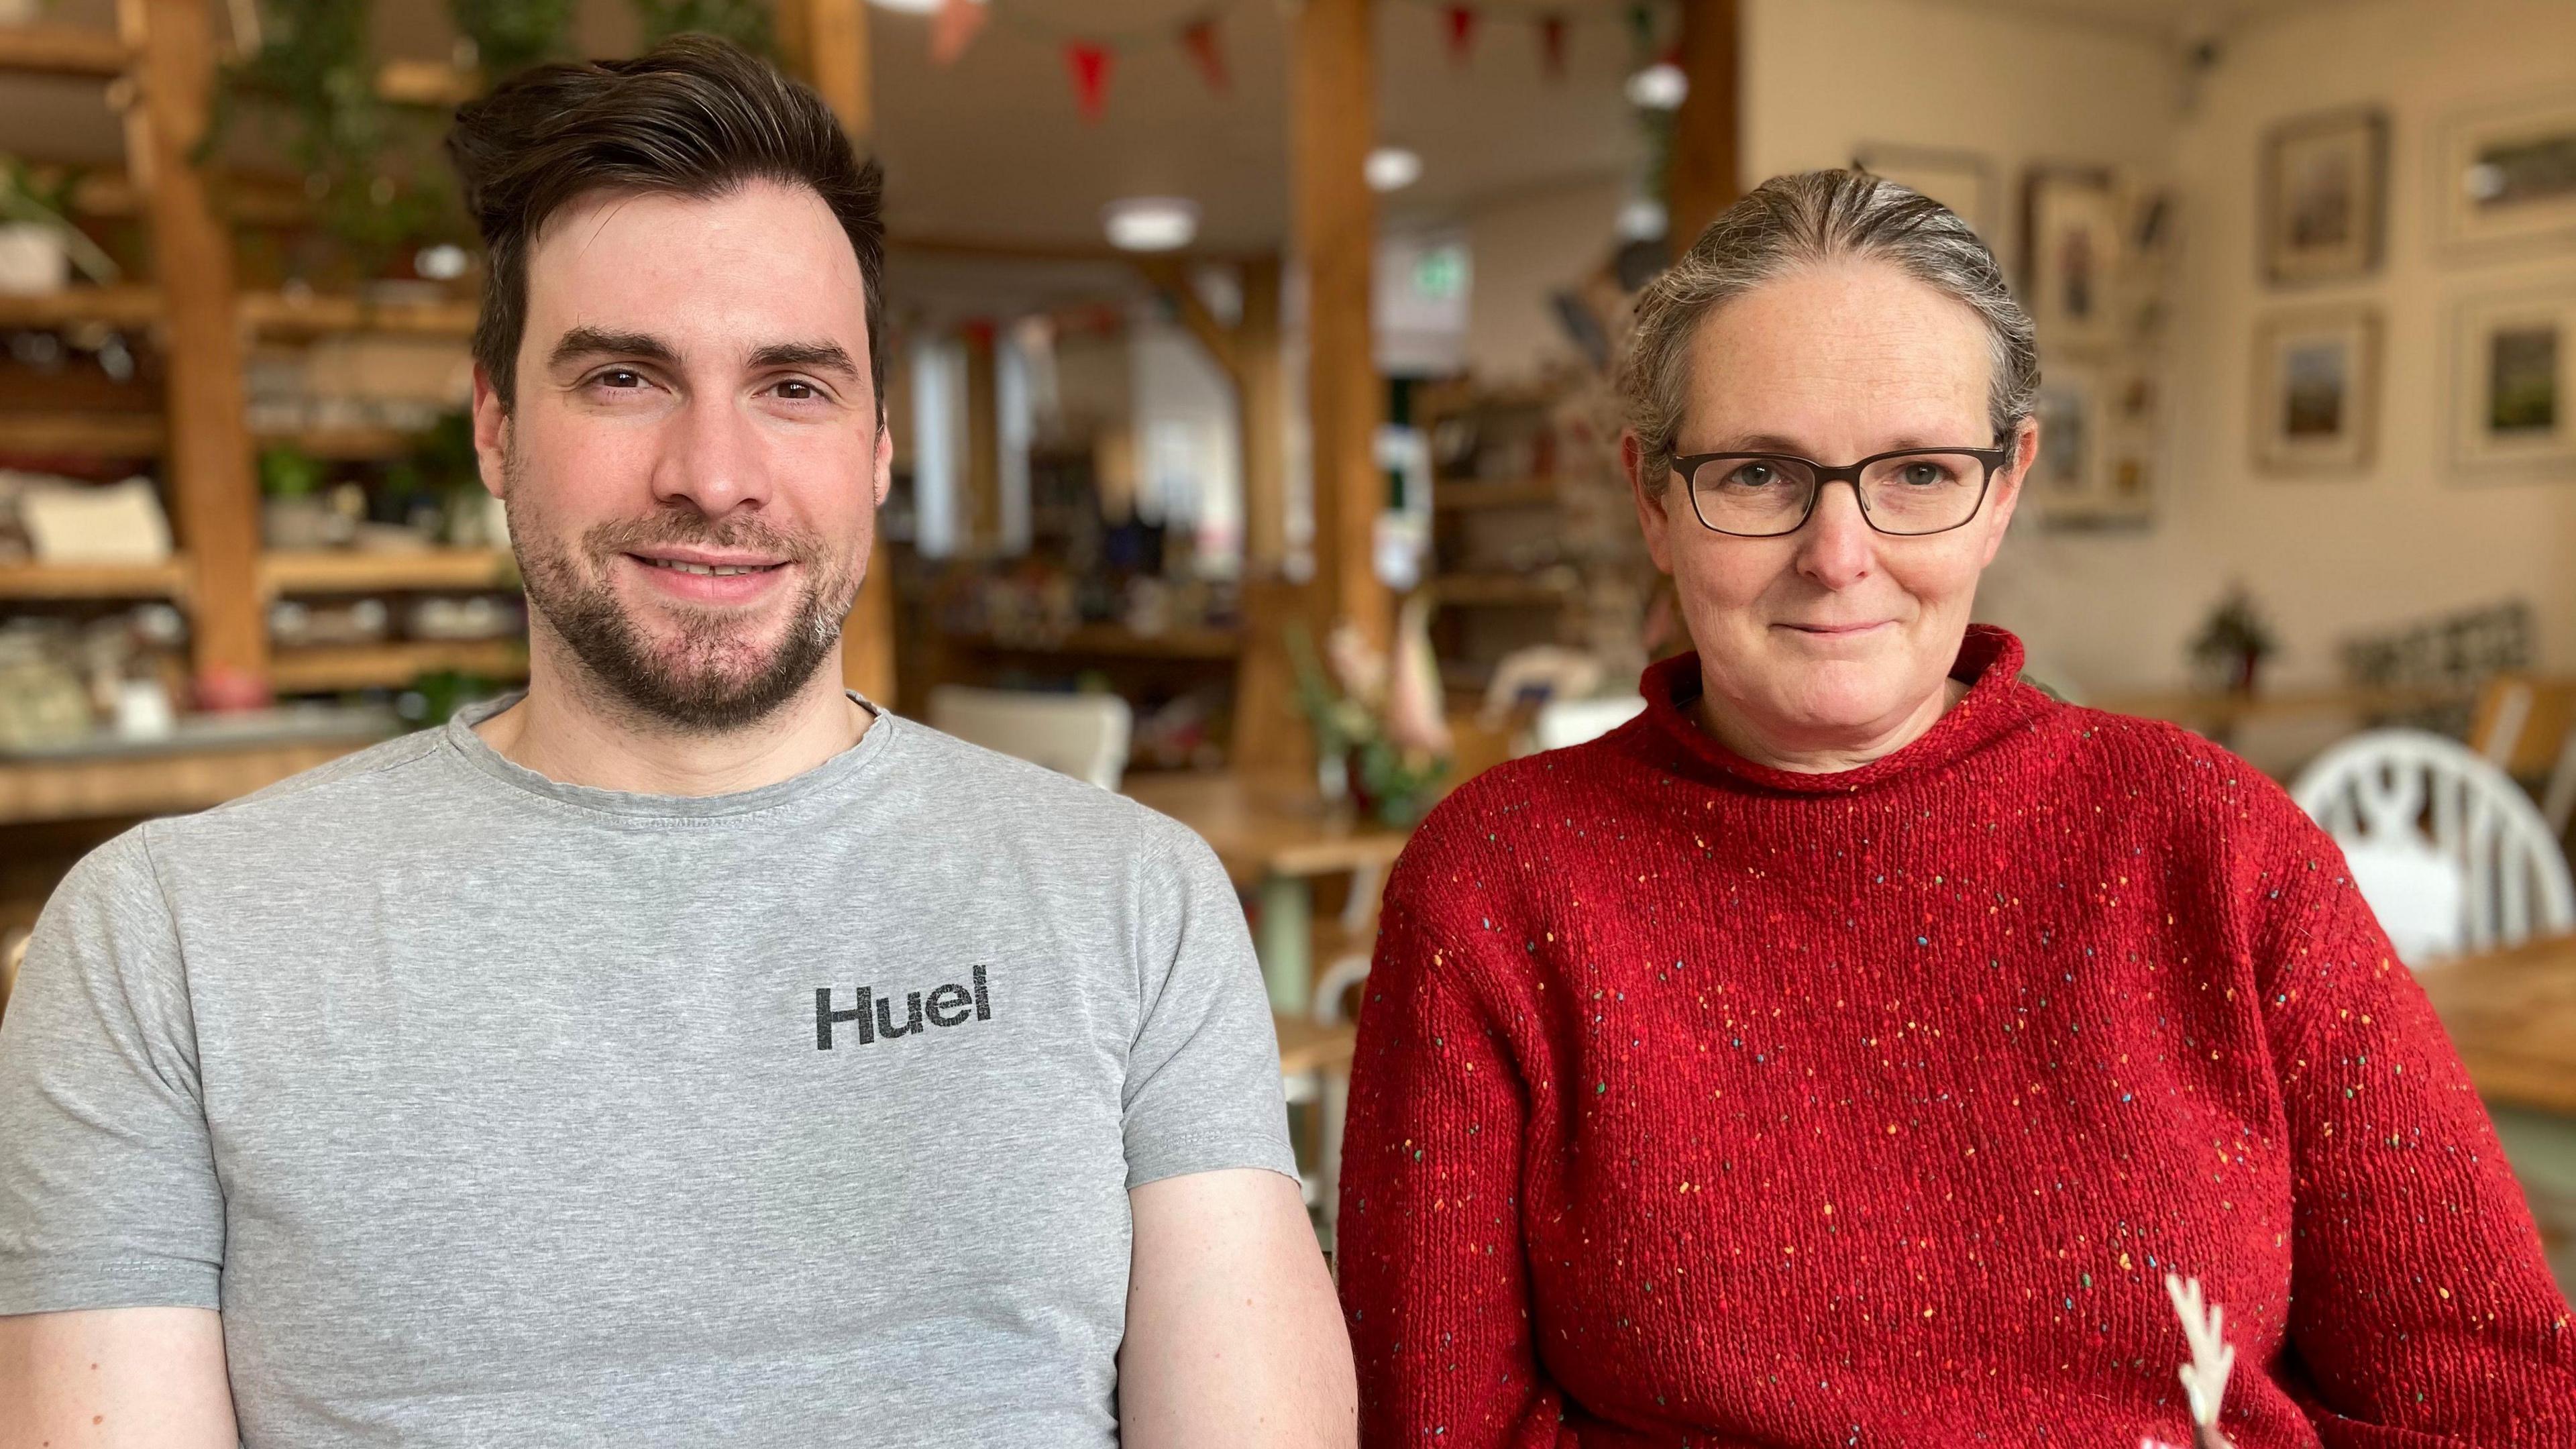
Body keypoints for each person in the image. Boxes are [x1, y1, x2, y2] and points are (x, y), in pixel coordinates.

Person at [0, 39, 1352, 1449]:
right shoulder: (165, 944)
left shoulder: (1133, 902)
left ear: (881, 446)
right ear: (494, 422)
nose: (714, 475)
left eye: (794, 387)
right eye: (626, 378)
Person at [1336, 170, 2575, 1446]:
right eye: (1759, 474)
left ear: (2008, 483)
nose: (1837, 552)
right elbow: (1436, 1429)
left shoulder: (2214, 841)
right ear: (1653, 497)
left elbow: (2501, 1404)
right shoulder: (1494, 883)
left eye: (1919, 472)